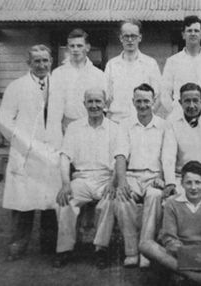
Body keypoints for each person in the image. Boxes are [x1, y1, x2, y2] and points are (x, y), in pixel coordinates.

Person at [0, 45, 61, 260]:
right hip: (25, 154)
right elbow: (4, 120)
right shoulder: (16, 87)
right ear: (29, 64)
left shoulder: (59, 86)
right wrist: (28, 145)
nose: (42, 65)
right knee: (23, 204)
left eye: (45, 60)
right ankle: (17, 246)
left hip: (52, 153)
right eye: (37, 61)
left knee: (50, 205)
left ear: (51, 61)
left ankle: (49, 247)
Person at [53, 88, 119, 269]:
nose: (94, 105)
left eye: (98, 101)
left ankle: (101, 250)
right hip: (81, 179)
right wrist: (66, 184)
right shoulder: (74, 128)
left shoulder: (115, 129)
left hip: (106, 179)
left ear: (105, 104)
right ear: (84, 104)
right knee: (64, 201)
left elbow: (120, 159)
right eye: (90, 102)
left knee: (109, 202)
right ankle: (64, 249)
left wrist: (113, 183)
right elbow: (65, 156)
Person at [140, 161, 201, 284]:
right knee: (146, 245)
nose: (193, 187)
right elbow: (170, 238)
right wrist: (185, 253)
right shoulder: (171, 202)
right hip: (179, 253)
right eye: (189, 182)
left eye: (198, 182)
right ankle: (200, 277)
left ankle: (182, 272)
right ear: (182, 184)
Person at [111, 83, 166, 267]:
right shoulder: (125, 125)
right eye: (139, 101)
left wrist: (163, 177)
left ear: (154, 101)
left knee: (155, 196)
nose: (143, 105)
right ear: (133, 102)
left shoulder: (164, 125)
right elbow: (120, 155)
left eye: (146, 101)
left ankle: (147, 251)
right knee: (123, 197)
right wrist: (122, 182)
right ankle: (132, 251)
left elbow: (168, 155)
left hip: (155, 177)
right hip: (132, 175)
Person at [162, 82, 201, 199]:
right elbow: (168, 155)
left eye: (195, 100)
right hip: (182, 178)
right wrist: (170, 182)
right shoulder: (172, 119)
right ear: (180, 103)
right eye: (187, 101)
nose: (191, 105)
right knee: (173, 202)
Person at [48, 28, 106, 149]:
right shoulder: (58, 73)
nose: (75, 49)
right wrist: (55, 139)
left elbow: (102, 106)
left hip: (92, 128)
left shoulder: (98, 74)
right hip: (67, 128)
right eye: (72, 46)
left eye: (79, 45)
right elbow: (54, 111)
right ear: (68, 48)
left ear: (87, 47)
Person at [161, 15, 201, 118]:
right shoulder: (173, 61)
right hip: (180, 117)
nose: (193, 33)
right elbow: (165, 94)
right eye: (189, 31)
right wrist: (176, 113)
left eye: (196, 30)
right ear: (183, 35)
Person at [105, 19, 162, 122]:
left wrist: (147, 118)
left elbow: (158, 96)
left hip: (141, 123)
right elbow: (107, 97)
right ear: (121, 38)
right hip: (117, 122)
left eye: (133, 36)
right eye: (126, 36)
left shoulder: (150, 63)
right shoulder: (111, 65)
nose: (130, 40)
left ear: (140, 37)